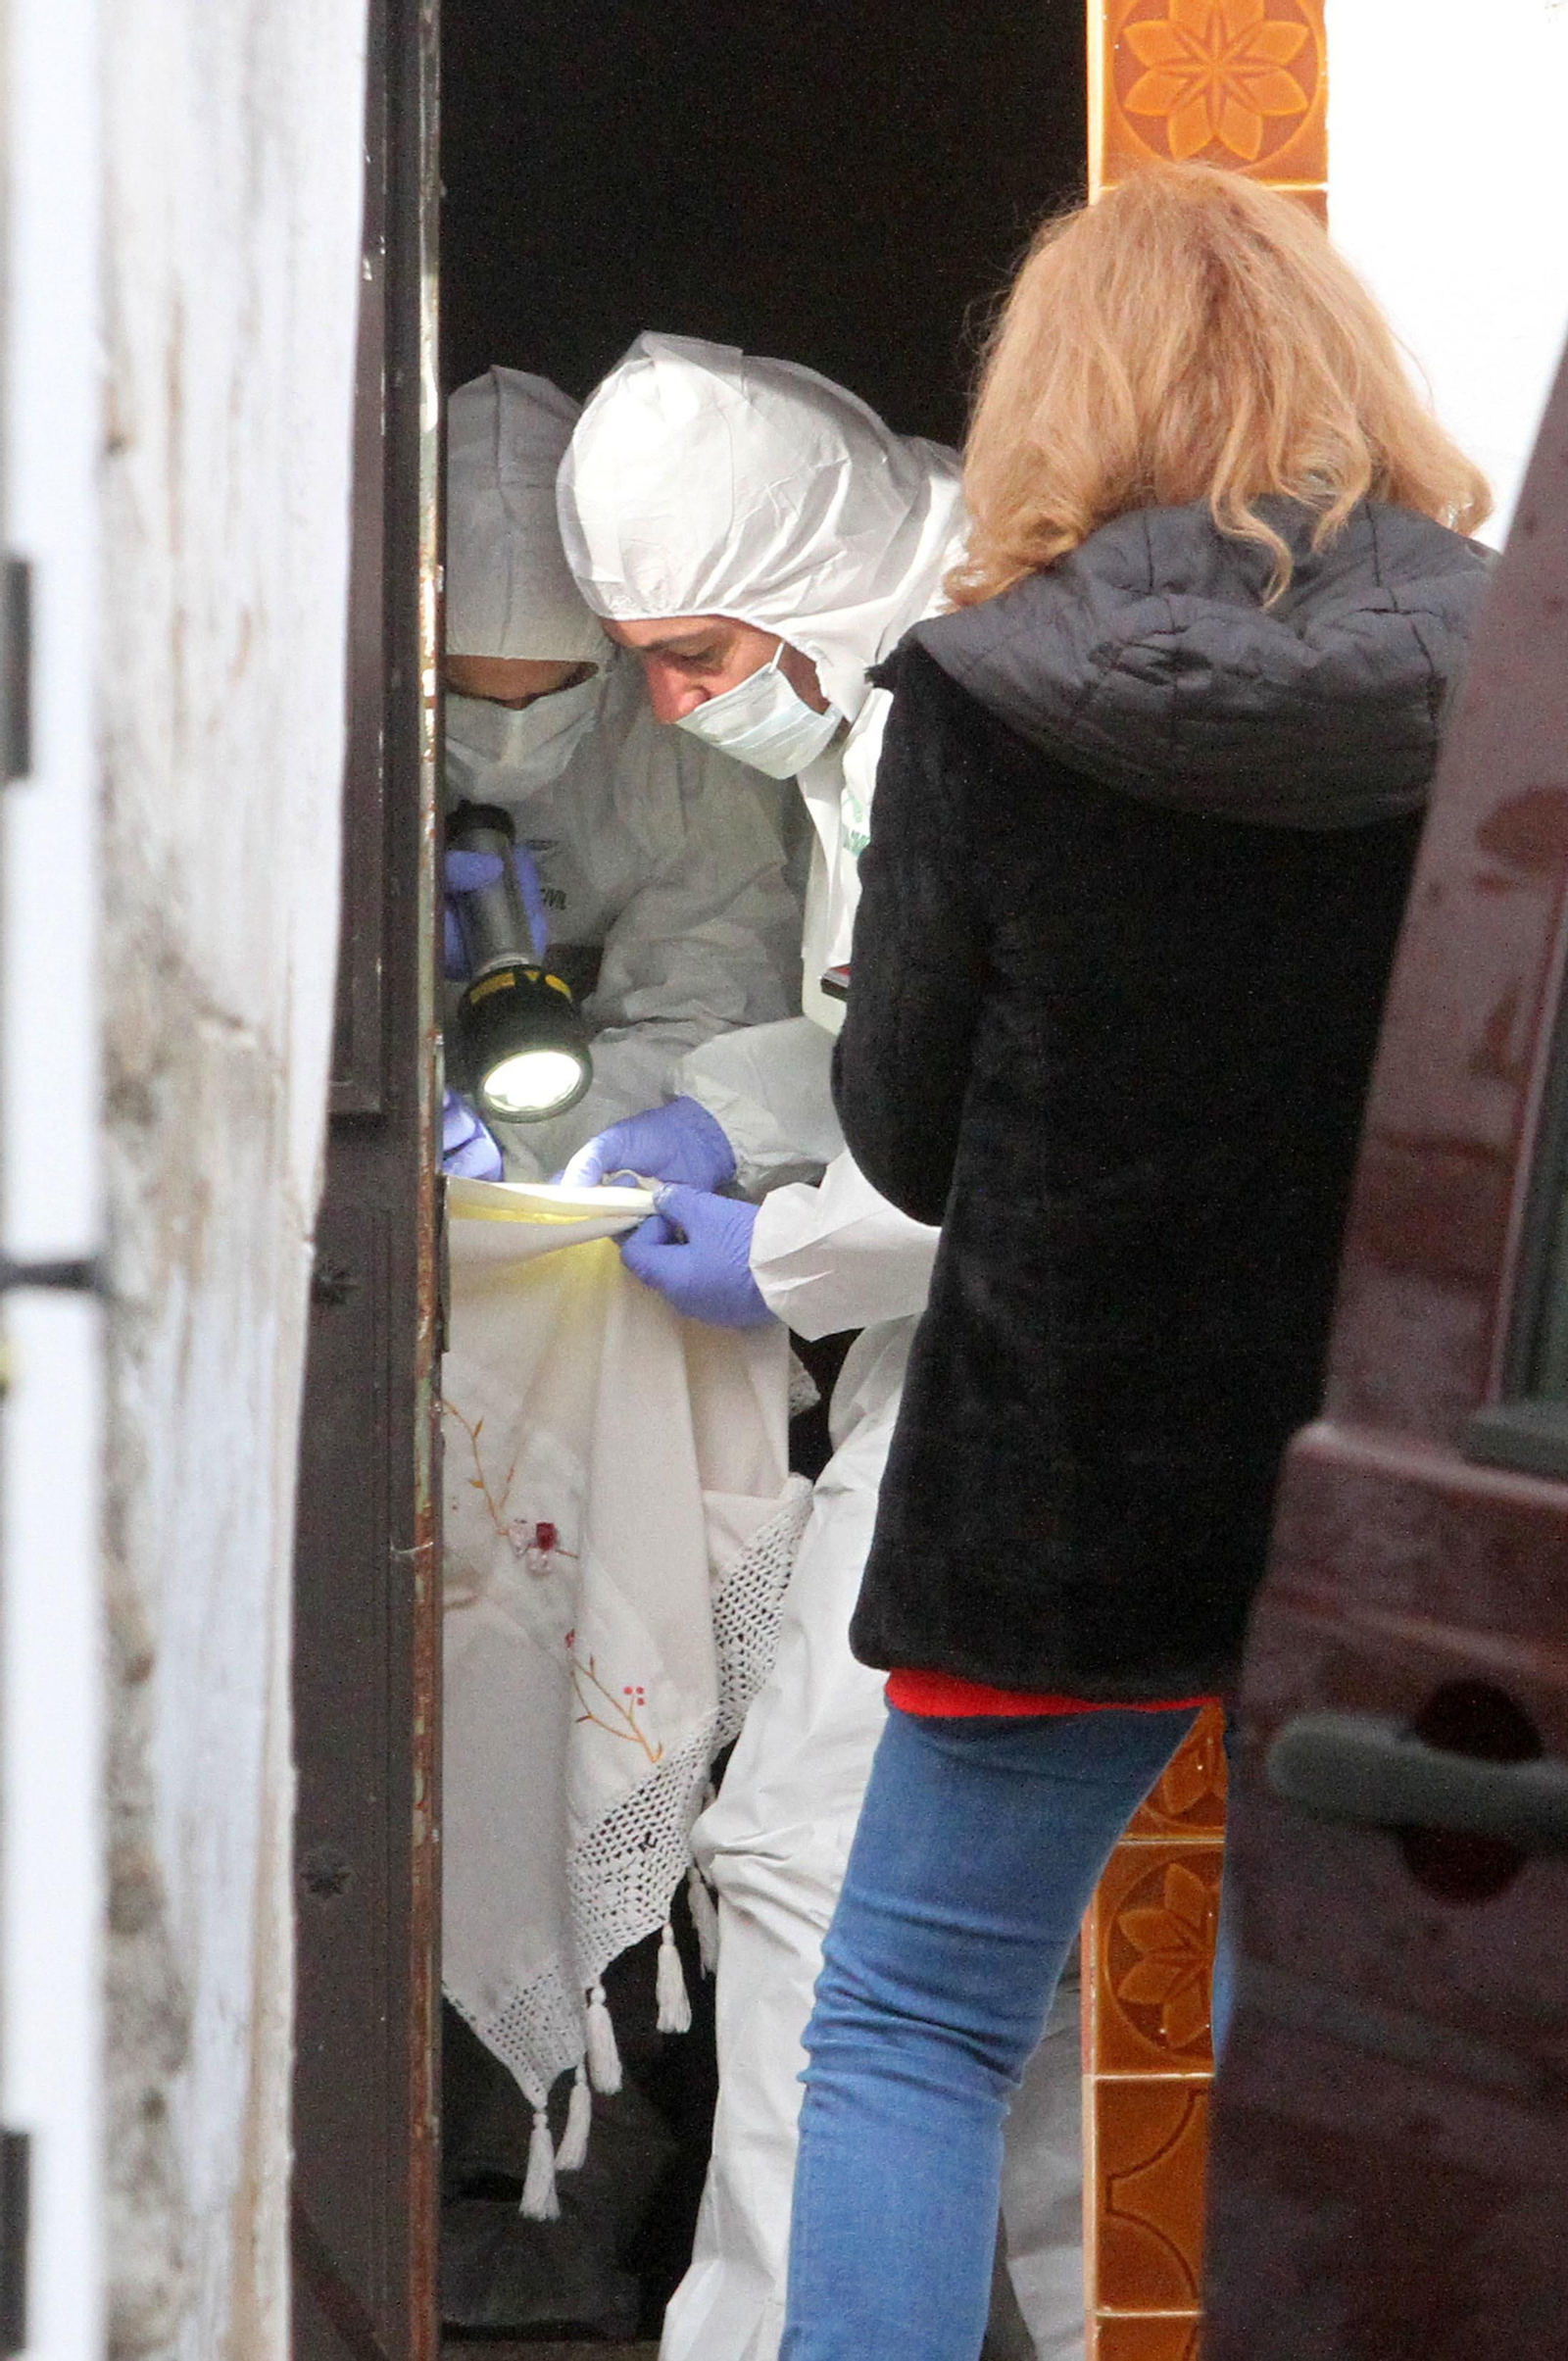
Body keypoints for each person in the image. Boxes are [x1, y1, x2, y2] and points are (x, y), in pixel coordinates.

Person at [777, 162, 1494, 2361]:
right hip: (1413, 1484)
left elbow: (897, 1133)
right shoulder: (1516, 672)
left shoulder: (979, 699)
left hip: (1063, 1481)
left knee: (909, 2017)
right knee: (1368, 2071)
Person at [556, 336, 1087, 2361]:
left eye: (695, 652)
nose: (679, 706)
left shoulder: (966, 700)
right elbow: (885, 1038)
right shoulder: (897, 676)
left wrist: (771, 1247)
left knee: (803, 1898)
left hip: (1001, 1380)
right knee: (1004, 1976)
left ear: (794, 579)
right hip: (1009, 1374)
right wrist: (728, 1104)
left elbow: (972, 1128)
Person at [441, 366, 803, 1182]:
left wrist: (529, 1154)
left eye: (556, 689)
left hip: (598, 1149)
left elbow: (717, 1001)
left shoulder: (685, 725)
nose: (510, 741)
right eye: (465, 691)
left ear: (606, 650)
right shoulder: (336, 735)